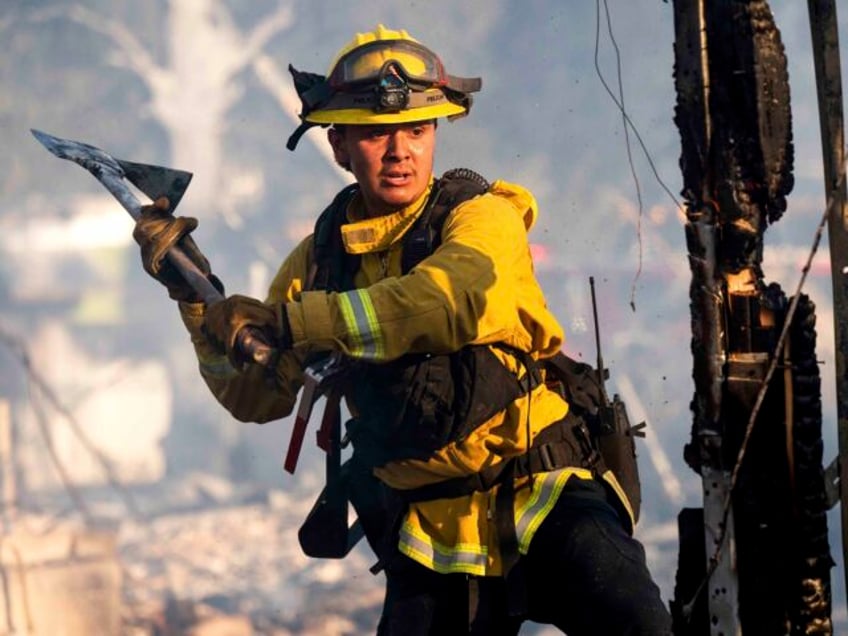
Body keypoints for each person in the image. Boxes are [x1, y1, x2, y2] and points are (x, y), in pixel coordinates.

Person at [132, 24, 673, 635]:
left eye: (417, 130)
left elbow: (449, 302)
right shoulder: (319, 261)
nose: (401, 151)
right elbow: (255, 395)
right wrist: (196, 302)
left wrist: (296, 320)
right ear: (339, 147)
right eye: (377, 134)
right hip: (429, 532)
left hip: (542, 492)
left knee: (639, 624)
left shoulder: (481, 218)